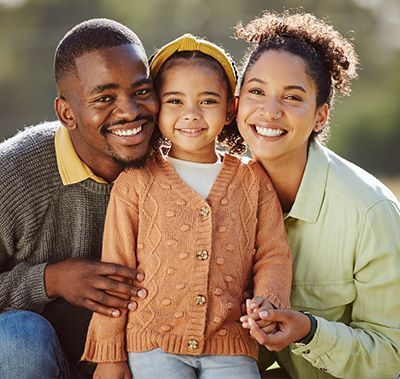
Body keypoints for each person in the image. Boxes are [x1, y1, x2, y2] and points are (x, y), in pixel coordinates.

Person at [81, 34, 292, 379]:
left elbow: (273, 254)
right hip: (152, 343)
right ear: (156, 108)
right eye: (175, 101)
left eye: (207, 101)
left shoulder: (252, 180)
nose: (191, 114)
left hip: (231, 342)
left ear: (229, 109)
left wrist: (269, 303)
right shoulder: (136, 182)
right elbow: (115, 271)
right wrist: (110, 355)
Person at [235, 10, 400, 379]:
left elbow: (393, 356)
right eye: (257, 91)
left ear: (320, 116)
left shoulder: (370, 211)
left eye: (292, 97)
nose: (270, 110)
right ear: (237, 103)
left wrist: (310, 331)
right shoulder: (221, 195)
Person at [0, 18, 159, 378]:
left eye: (141, 91)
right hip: (38, 362)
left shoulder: (172, 158)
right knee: (17, 336)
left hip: (139, 361)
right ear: (66, 113)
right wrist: (49, 281)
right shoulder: (13, 176)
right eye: (104, 98)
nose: (130, 111)